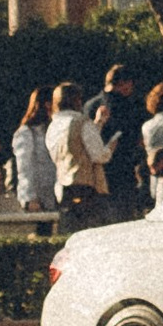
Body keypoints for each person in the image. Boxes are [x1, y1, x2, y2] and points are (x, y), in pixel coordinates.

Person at [45, 79, 111, 227]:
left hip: (63, 186)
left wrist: (98, 124)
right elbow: (98, 154)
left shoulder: (53, 126)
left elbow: (73, 146)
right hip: (87, 188)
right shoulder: (81, 121)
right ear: (77, 100)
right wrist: (110, 148)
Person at [91, 65, 148, 219]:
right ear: (125, 83)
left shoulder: (90, 105)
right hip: (123, 172)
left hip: (96, 173)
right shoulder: (129, 106)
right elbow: (136, 139)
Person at [9, 90, 56, 212]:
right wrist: (30, 198)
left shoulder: (53, 130)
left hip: (54, 195)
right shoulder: (27, 132)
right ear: (48, 104)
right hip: (38, 200)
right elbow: (25, 167)